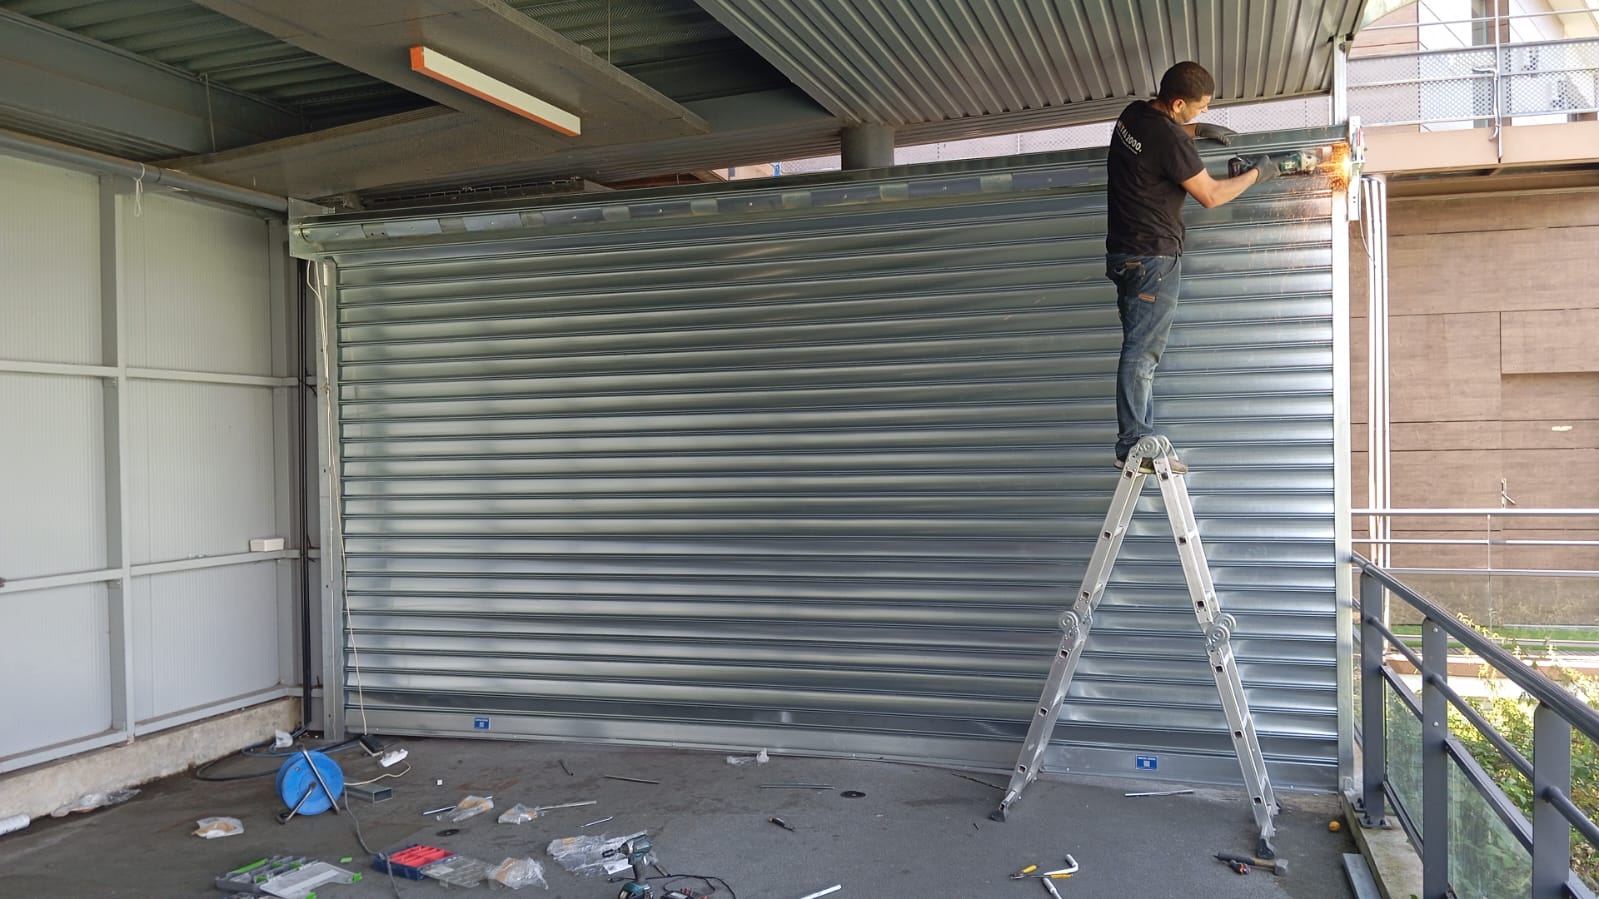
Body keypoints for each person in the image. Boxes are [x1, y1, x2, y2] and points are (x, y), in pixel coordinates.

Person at [1105, 60, 1275, 472]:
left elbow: (1165, 136)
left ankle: (1138, 434)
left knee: (1139, 348)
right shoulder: (1171, 143)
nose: (1202, 113)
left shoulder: (1134, 114)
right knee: (1142, 354)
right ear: (1177, 102)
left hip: (1124, 255)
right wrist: (1257, 173)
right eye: (1199, 109)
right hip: (1153, 258)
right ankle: (1134, 442)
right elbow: (1212, 195)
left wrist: (1198, 131)